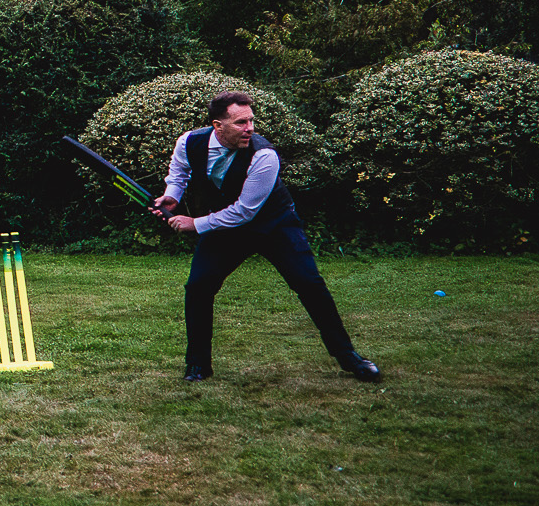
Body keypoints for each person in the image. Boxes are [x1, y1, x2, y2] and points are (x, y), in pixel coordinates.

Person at [153, 91, 381, 383]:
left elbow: (244, 212)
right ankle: (198, 365)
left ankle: (350, 358)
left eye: (251, 121)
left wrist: (194, 224)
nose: (249, 128)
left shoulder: (264, 155)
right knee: (198, 287)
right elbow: (180, 173)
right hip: (226, 230)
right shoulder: (189, 142)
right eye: (240, 122)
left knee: (310, 285)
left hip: (274, 225)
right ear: (217, 125)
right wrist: (171, 198)